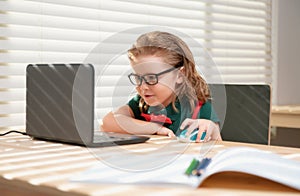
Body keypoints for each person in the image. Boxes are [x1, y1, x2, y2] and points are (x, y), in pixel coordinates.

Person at [102, 31, 222, 142]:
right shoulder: (141, 104)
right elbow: (107, 122)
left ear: (180, 75)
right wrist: (155, 128)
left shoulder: (198, 107)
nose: (143, 87)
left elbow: (220, 150)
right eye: (138, 78)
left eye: (151, 78)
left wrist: (212, 129)